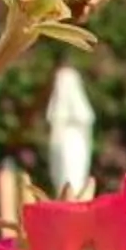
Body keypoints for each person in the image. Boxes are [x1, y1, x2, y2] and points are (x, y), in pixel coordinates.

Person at [43, 61, 96, 196]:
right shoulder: (59, 118)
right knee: (62, 174)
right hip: (63, 142)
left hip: (75, 142)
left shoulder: (79, 118)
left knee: (74, 173)